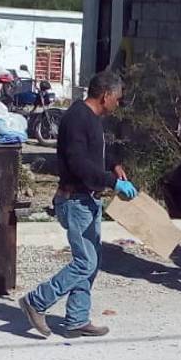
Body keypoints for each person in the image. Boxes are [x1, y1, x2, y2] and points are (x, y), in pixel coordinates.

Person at [18, 72, 136, 338]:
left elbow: (97, 154)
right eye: (117, 98)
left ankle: (77, 318)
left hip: (88, 200)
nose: (118, 104)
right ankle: (36, 301)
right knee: (85, 261)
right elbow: (79, 165)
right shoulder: (76, 119)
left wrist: (114, 165)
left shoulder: (93, 119)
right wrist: (111, 182)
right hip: (74, 201)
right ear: (105, 95)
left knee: (92, 262)